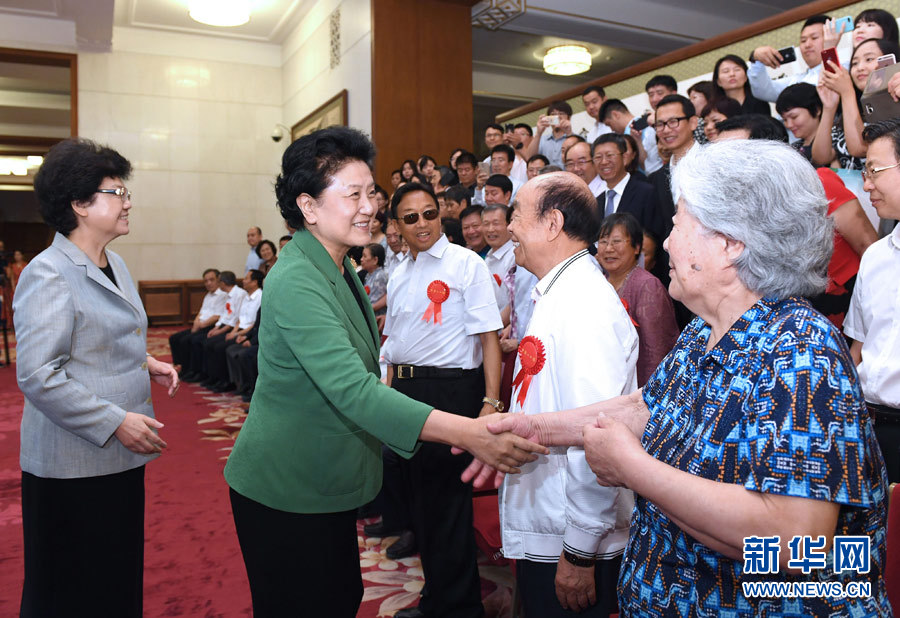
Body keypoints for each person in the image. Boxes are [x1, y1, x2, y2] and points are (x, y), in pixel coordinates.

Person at [469, 139, 891, 616]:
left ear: (731, 244)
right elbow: (643, 407)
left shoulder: (801, 351)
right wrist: (533, 428)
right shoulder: (704, 331)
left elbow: (797, 542)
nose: (666, 242)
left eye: (677, 224)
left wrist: (634, 470)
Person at [222, 127, 546, 618]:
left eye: (371, 191)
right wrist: (471, 433)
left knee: (339, 598)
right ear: (308, 207)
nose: (370, 205)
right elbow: (353, 390)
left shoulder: (341, 266)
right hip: (287, 486)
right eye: (353, 194)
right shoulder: (295, 278)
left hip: (325, 480)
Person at [14, 138, 179, 617]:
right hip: (72, 464)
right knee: (71, 587)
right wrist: (115, 422)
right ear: (80, 204)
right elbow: (39, 375)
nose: (128, 202)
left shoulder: (114, 262)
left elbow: (97, 335)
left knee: (114, 575)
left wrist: (147, 362)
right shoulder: (48, 273)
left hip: (117, 459)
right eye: (117, 192)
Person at [501, 171, 637, 618]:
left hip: (573, 540)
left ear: (553, 223)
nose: (510, 227)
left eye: (517, 214)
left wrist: (579, 551)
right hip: (554, 525)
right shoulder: (562, 294)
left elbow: (596, 433)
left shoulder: (583, 305)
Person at [382, 181, 505, 618]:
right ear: (396, 225)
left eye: (429, 213)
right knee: (421, 507)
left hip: (451, 391)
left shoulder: (465, 263)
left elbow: (489, 338)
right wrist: (387, 390)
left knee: (447, 510)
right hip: (406, 393)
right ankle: (437, 598)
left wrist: (491, 401)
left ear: (440, 215)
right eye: (410, 217)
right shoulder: (399, 272)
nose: (422, 224)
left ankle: (458, 608)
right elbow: (394, 343)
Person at [845, 118, 900, 484]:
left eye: (874, 171)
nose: (866, 185)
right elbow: (859, 346)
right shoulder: (877, 256)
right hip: (874, 427)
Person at [596, 213, 678, 386]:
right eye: (603, 242)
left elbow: (656, 350)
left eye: (617, 241)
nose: (609, 248)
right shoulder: (597, 282)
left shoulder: (647, 286)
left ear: (636, 247)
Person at [814, 38, 900, 169]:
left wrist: (847, 92)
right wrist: (829, 107)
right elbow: (821, 157)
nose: (860, 68)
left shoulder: (895, 104)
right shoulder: (850, 109)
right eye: (854, 63)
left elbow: (860, 148)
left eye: (869, 59)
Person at [749, 15, 832, 102]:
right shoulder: (795, 80)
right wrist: (756, 59)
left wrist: (830, 48)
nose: (807, 45)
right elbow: (763, 91)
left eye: (814, 38)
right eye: (803, 40)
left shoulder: (843, 70)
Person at [169, 268, 225, 373]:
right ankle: (181, 366)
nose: (208, 283)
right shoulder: (208, 295)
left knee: (189, 340)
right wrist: (195, 323)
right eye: (206, 281)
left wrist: (201, 325)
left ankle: (192, 370)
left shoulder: (223, 295)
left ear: (218, 279)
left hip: (211, 326)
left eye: (211, 280)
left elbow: (217, 316)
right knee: (174, 338)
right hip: (200, 325)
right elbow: (200, 312)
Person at [776, 83, 823, 160]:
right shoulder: (793, 149)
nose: (789, 125)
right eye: (784, 120)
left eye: (794, 117)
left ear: (817, 110)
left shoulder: (834, 144)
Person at [521, 100, 573, 168]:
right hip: (546, 177)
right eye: (553, 114)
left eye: (561, 113)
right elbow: (529, 158)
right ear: (548, 118)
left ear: (569, 118)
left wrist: (569, 133)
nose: (557, 117)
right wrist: (539, 133)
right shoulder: (542, 140)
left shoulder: (575, 138)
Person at [482, 204, 514, 311]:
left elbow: (515, 301)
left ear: (509, 225)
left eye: (496, 223)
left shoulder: (514, 256)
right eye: (486, 224)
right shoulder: (489, 255)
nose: (490, 229)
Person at [360, 242, 388, 322]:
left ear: (375, 260)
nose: (361, 259)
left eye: (365, 256)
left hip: (377, 319)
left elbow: (373, 302)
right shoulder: (368, 275)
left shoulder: (380, 276)